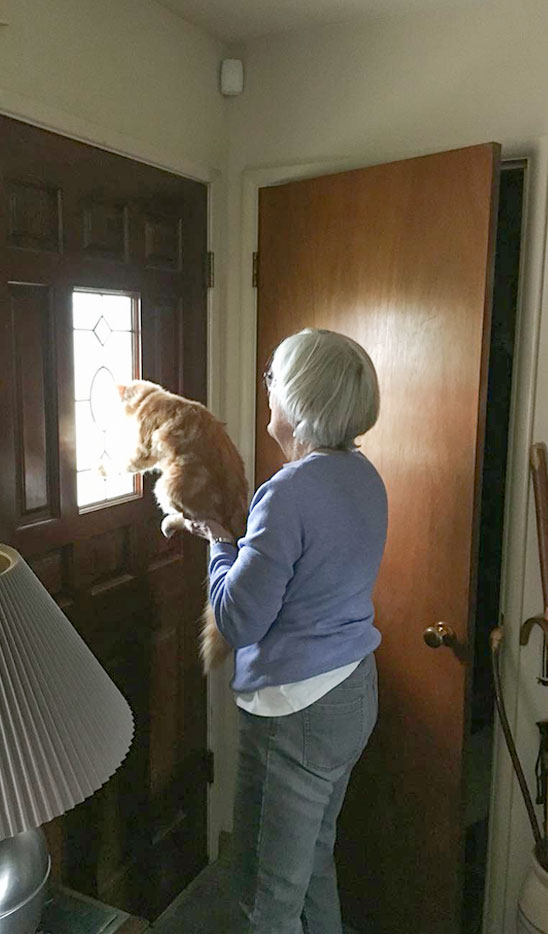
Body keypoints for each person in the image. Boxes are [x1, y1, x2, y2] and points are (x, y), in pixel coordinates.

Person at [187, 328, 388, 934]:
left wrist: (221, 541)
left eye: (273, 377)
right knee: (314, 861)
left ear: (297, 399)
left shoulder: (289, 491)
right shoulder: (364, 476)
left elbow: (238, 619)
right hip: (353, 693)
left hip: (297, 711)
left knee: (265, 894)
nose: (266, 389)